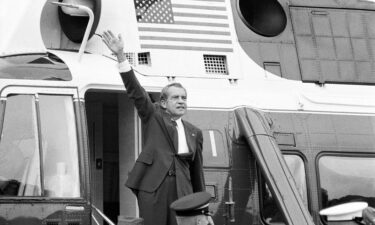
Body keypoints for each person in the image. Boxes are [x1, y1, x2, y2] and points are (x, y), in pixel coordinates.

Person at [102, 30, 205, 225]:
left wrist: (202, 209)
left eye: (184, 98)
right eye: (176, 97)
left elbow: (197, 172)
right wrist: (121, 56)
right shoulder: (154, 116)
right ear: (163, 103)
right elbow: (136, 91)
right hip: (154, 188)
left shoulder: (195, 132)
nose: (181, 101)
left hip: (184, 191)